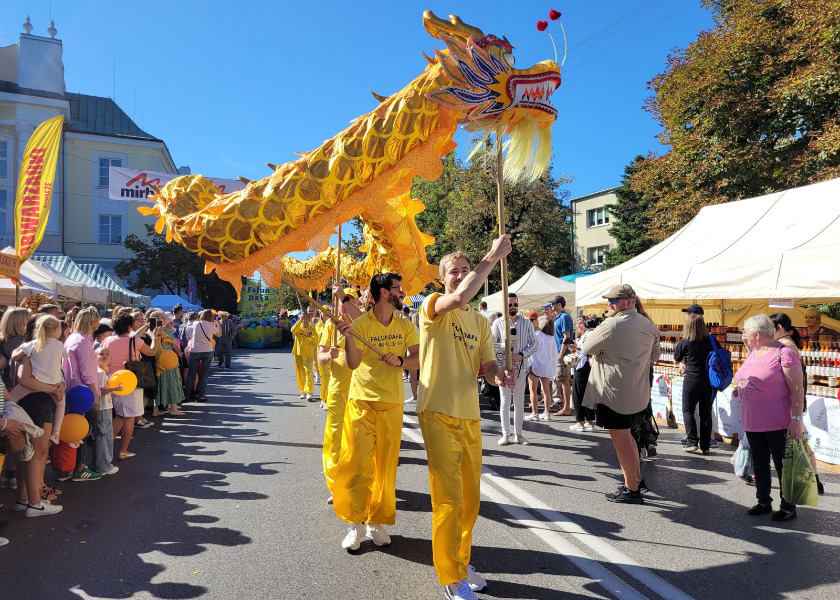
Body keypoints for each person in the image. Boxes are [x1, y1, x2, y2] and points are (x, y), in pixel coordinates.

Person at [416, 238, 516, 600]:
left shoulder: (481, 322)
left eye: (464, 269)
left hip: (469, 415)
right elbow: (458, 299)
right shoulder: (432, 307)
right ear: (442, 278)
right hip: (437, 410)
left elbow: (486, 368)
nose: (459, 276)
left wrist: (499, 375)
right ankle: (449, 575)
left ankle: (460, 560)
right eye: (453, 271)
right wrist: (492, 255)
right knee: (448, 497)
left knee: (471, 499)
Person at [334, 272, 419, 551]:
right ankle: (356, 524)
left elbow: (418, 359)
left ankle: (375, 522)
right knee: (359, 466)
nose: (401, 293)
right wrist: (348, 337)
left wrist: (402, 360)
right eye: (398, 288)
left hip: (391, 404)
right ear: (385, 292)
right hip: (361, 403)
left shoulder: (406, 326)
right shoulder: (360, 324)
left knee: (384, 469)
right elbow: (353, 364)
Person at [582, 284, 661, 504]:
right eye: (609, 300)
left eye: (613, 301)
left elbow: (587, 346)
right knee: (630, 437)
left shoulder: (612, 324)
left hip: (614, 391)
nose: (609, 304)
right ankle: (636, 480)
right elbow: (655, 356)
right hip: (638, 391)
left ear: (628, 302)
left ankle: (632, 489)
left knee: (621, 439)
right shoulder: (648, 325)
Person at [735, 314, 804, 521]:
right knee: (759, 461)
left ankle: (788, 506)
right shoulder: (754, 352)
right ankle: (763, 500)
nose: (743, 334)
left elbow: (797, 390)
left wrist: (797, 419)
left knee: (782, 464)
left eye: (745, 331)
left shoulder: (784, 353)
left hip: (777, 420)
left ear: (757, 334)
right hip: (752, 419)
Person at [770, 312, 824, 495]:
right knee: (799, 440)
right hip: (793, 399)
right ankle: (814, 480)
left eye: (771, 327)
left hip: (791, 400)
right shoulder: (787, 343)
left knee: (797, 441)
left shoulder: (784, 346)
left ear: (778, 328)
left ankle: (811, 481)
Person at [318, 287, 362, 504]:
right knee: (335, 439)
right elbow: (320, 357)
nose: (345, 306)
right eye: (342, 302)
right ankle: (336, 486)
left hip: (363, 392)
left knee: (358, 442)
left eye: (350, 302)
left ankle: (357, 484)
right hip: (338, 390)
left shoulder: (364, 325)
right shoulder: (329, 326)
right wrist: (328, 355)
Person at [102, 313, 160, 460]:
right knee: (128, 417)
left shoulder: (107, 340)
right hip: (127, 380)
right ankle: (123, 450)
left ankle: (107, 447)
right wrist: (155, 337)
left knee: (120, 416)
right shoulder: (135, 341)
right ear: (129, 326)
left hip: (109, 379)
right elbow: (152, 352)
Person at [61, 307, 104, 481]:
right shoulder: (84, 342)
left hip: (72, 389)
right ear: (93, 322)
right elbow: (86, 371)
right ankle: (80, 466)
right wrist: (94, 393)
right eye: (98, 320)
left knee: (73, 431)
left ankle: (68, 467)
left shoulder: (72, 338)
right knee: (83, 431)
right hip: (83, 392)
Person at [12, 316, 67, 445]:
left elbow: (15, 356)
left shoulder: (34, 344)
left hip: (33, 382)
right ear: (56, 330)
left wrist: (23, 355)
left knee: (11, 399)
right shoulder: (59, 345)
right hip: (54, 385)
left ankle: (8, 419)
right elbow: (64, 357)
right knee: (61, 404)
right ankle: (56, 433)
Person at [492, 293, 537, 446]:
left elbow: (534, 343)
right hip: (503, 367)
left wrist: (521, 354)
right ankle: (505, 434)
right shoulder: (498, 323)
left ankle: (519, 434)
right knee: (505, 401)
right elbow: (490, 344)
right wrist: (504, 347)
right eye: (510, 304)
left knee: (518, 402)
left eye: (515, 304)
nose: (513, 307)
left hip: (521, 368)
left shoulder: (526, 323)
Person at [674, 306, 715, 454]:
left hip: (692, 378)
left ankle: (692, 441)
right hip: (709, 380)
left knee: (688, 410)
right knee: (705, 413)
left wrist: (683, 362)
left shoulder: (685, 342)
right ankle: (705, 445)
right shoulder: (711, 340)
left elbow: (677, 357)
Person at [93, 347, 121, 475]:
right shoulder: (100, 373)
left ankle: (99, 464)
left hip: (104, 406)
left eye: (107, 354)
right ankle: (104, 466)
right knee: (104, 436)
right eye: (101, 354)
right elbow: (99, 391)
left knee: (103, 435)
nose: (104, 356)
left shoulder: (101, 371)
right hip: (102, 407)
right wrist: (114, 389)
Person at [568, 316, 598, 431]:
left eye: (582, 323)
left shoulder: (589, 334)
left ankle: (580, 421)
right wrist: (575, 348)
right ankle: (588, 421)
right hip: (584, 365)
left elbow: (587, 349)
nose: (580, 326)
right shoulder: (585, 335)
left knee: (578, 394)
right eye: (578, 324)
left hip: (583, 366)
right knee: (586, 393)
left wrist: (577, 348)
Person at [185, 310, 220, 402]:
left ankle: (187, 395)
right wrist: (217, 323)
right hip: (207, 350)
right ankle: (201, 395)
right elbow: (219, 334)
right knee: (204, 374)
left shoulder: (196, 323)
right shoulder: (211, 326)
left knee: (191, 374)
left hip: (195, 350)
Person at [526, 315, 556, 422]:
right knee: (546, 390)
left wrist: (528, 364)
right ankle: (547, 412)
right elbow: (554, 355)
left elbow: (530, 350)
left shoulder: (537, 335)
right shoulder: (552, 339)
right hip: (546, 366)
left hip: (535, 365)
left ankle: (535, 412)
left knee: (533, 390)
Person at [155, 311, 185, 417]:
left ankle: (158, 408)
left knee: (160, 383)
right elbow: (174, 345)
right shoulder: (164, 330)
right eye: (162, 317)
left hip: (158, 358)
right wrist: (179, 354)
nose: (164, 319)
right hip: (167, 359)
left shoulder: (152, 329)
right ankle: (173, 408)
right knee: (173, 382)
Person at [551, 295, 574, 416]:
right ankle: (565, 407)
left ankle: (566, 408)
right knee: (561, 379)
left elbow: (567, 336)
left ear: (559, 304)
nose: (551, 305)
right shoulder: (558, 317)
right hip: (559, 352)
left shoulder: (564, 317)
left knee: (564, 380)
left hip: (562, 353)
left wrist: (560, 353)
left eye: (553, 303)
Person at [292, 307, 317, 401]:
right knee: (300, 373)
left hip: (309, 354)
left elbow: (315, 341)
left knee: (309, 372)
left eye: (307, 318)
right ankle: (303, 391)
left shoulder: (312, 329)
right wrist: (299, 321)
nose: (305, 320)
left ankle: (309, 392)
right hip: (299, 353)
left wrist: (310, 336)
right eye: (304, 318)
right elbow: (293, 330)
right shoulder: (299, 327)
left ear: (309, 319)